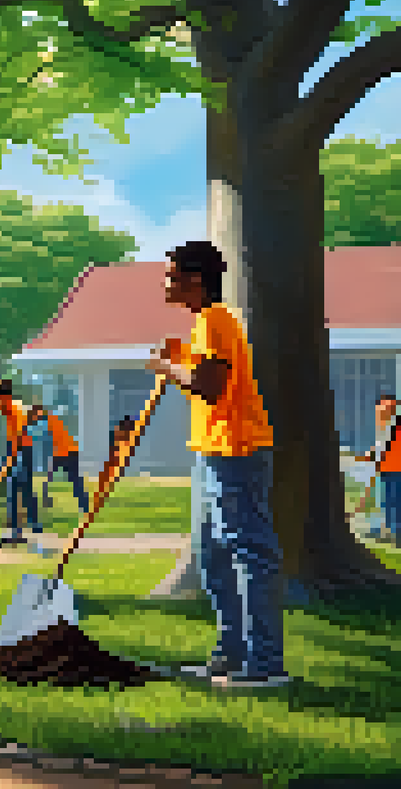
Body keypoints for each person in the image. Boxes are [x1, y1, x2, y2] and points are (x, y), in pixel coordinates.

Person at [148, 240, 285, 689]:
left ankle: (265, 665)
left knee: (249, 553)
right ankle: (232, 653)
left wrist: (167, 367)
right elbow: (209, 380)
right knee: (213, 556)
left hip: (236, 450)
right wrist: (180, 359)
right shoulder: (205, 325)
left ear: (194, 279)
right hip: (212, 450)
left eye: (171, 275)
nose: (165, 282)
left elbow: (209, 387)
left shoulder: (214, 319)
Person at [0, 379, 38, 545]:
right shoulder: (12, 409)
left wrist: (2, 472)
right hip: (22, 450)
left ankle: (17, 533)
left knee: (14, 490)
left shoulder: (16, 411)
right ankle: (28, 530)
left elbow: (17, 446)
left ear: (2, 398)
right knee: (23, 491)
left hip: (23, 451)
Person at [357, 395, 401, 543]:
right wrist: (372, 456)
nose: (381, 411)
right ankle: (390, 530)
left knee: (393, 501)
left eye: (385, 407)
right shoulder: (385, 426)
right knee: (388, 501)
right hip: (388, 468)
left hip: (395, 468)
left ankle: (394, 532)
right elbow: (381, 446)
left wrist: (374, 457)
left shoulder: (393, 425)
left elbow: (384, 446)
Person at [30, 405, 88, 514]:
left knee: (53, 478)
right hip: (70, 452)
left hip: (63, 454)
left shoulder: (46, 421)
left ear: (39, 412)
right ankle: (84, 505)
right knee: (74, 480)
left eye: (34, 415)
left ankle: (47, 501)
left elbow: (36, 435)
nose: (34, 417)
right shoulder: (52, 418)